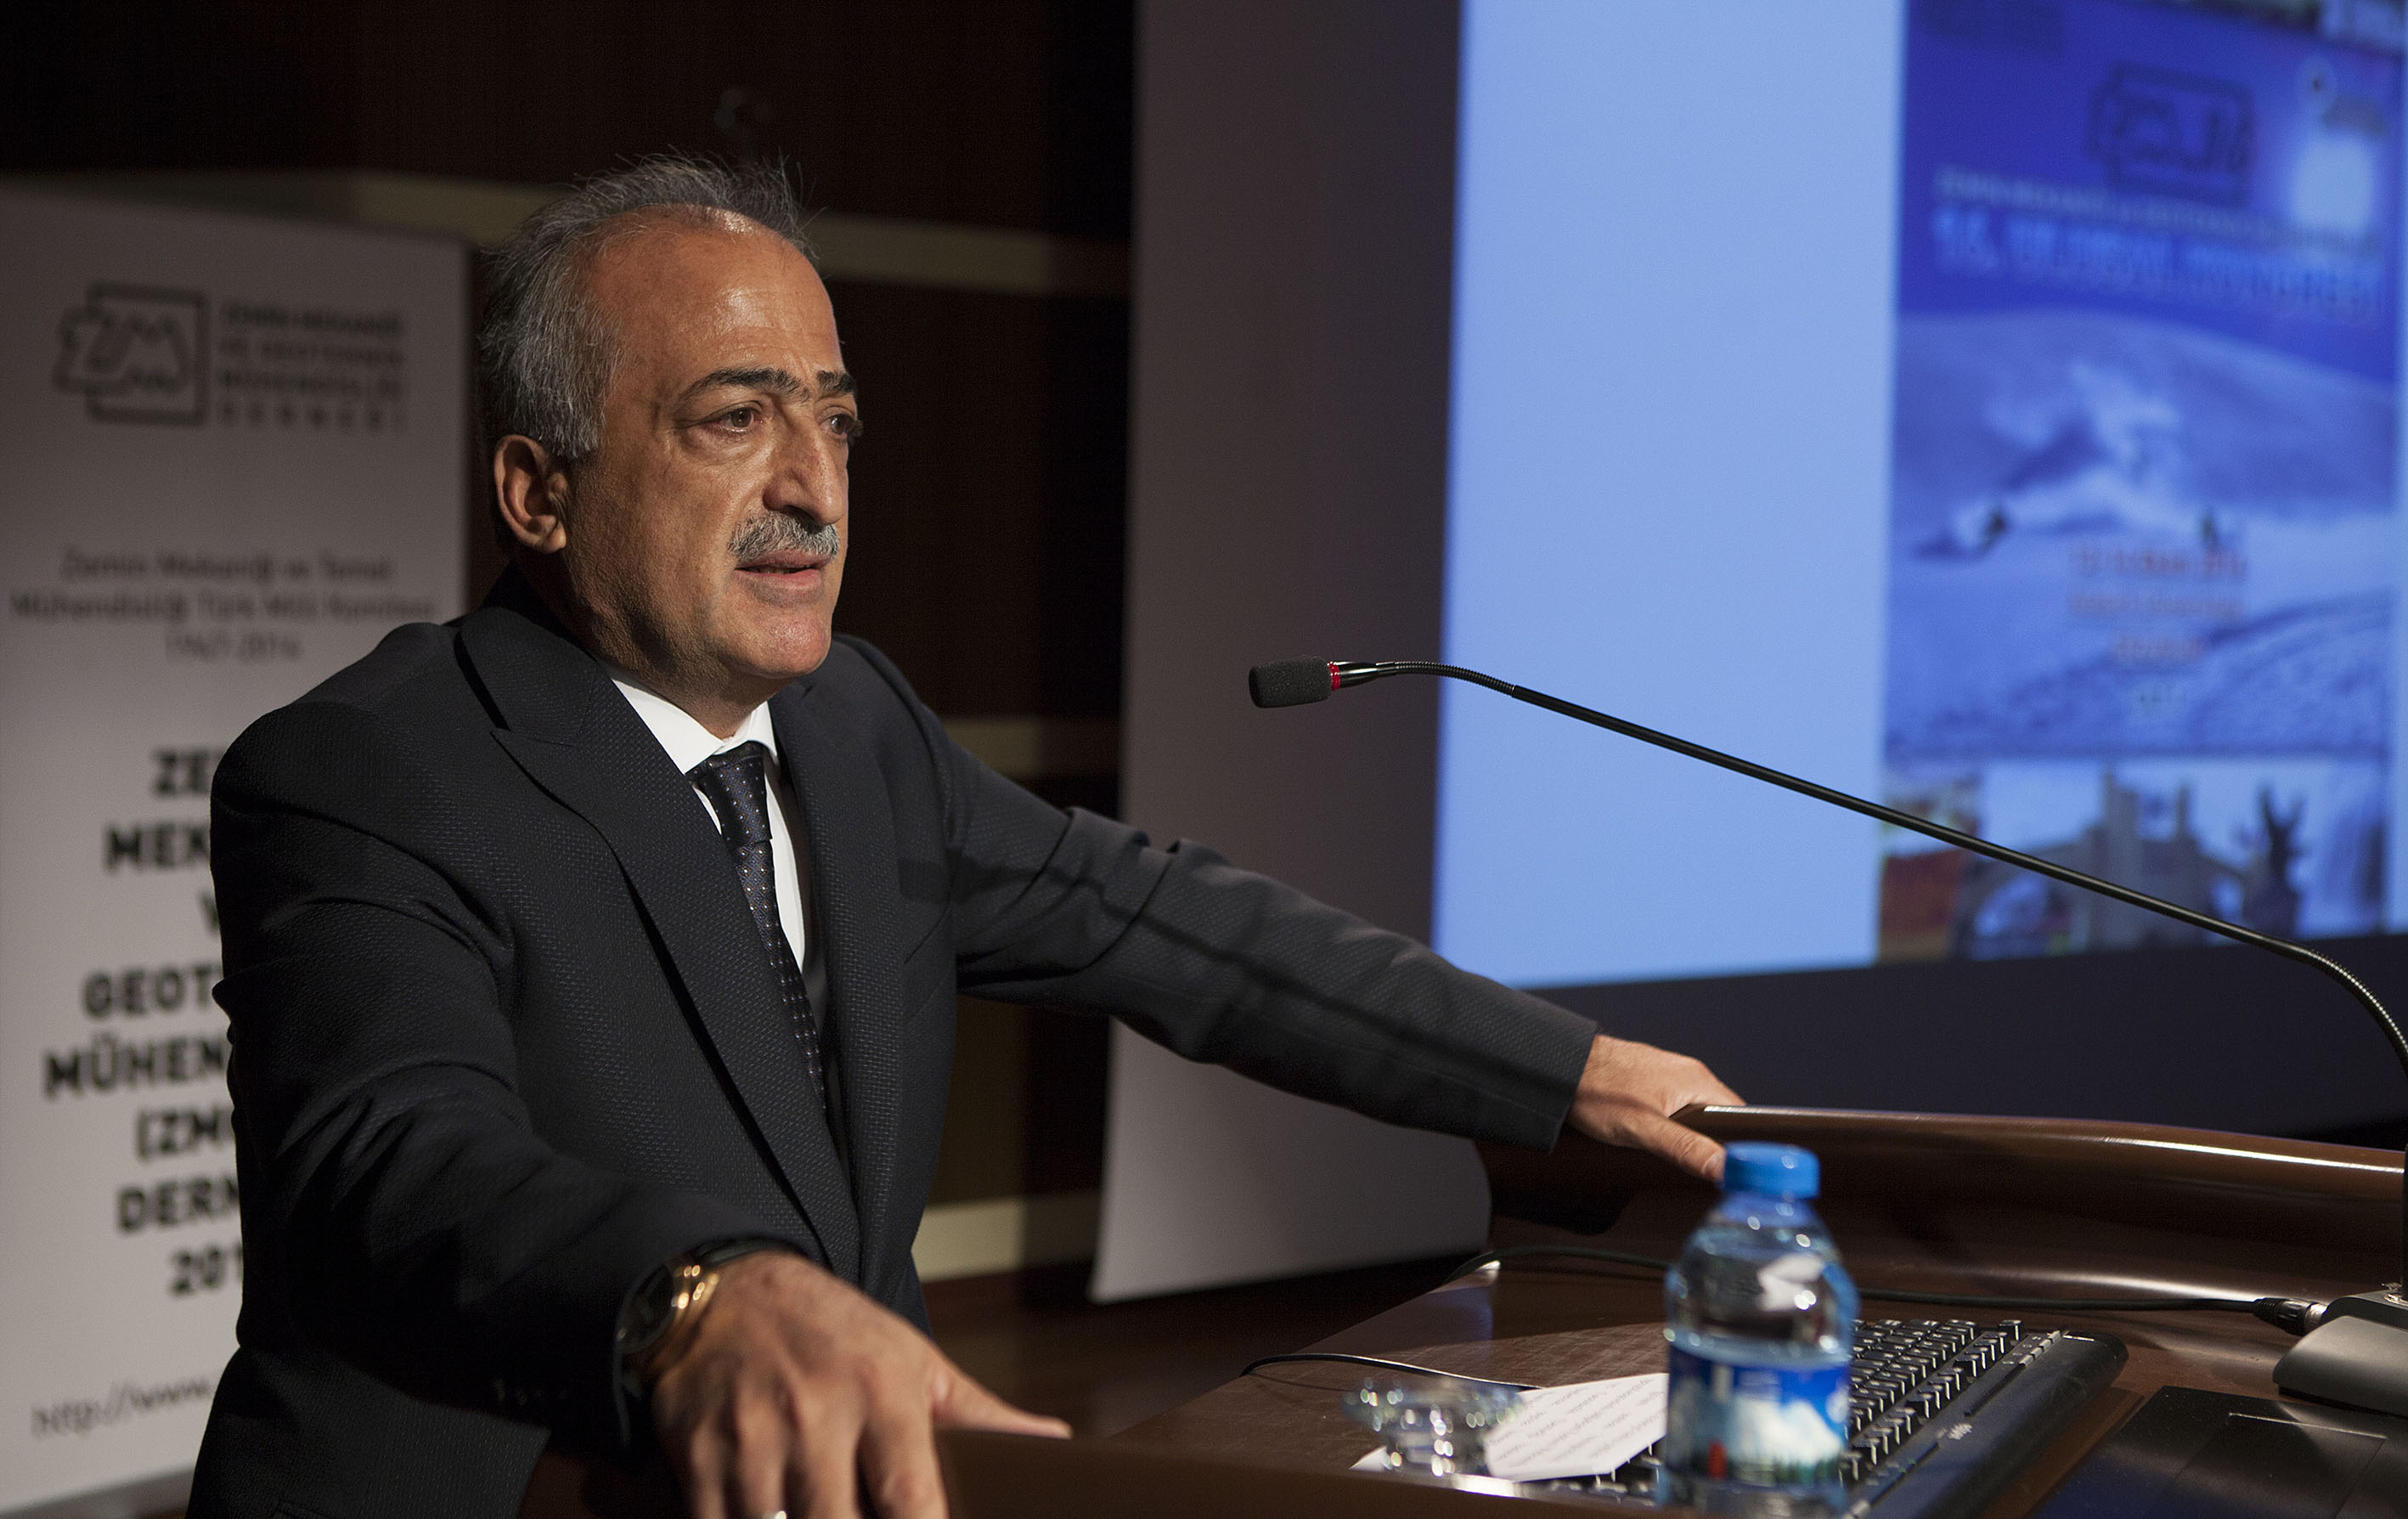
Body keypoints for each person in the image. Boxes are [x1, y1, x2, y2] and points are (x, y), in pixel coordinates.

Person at [190, 156, 1741, 1519]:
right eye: (735, 419)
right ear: (539, 491)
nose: (813, 489)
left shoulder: (856, 727)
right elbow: (394, 1161)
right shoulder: (372, 770)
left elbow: (1172, 928)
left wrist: (1563, 1071)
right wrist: (695, 1302)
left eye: (836, 423)